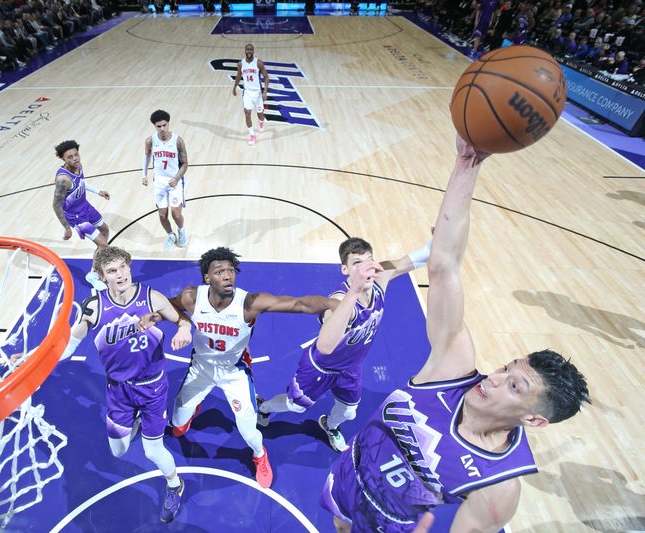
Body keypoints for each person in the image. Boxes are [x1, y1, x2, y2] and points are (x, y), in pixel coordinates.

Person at [320, 138, 590, 533]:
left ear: (533, 419)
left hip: (389, 522)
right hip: (351, 469)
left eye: (514, 386)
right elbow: (444, 265)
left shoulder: (497, 490)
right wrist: (468, 161)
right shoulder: (454, 366)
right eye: (506, 368)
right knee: (339, 522)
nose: (493, 377)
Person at [166, 247, 339, 488]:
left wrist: (334, 303)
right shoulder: (191, 297)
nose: (228, 275)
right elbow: (169, 307)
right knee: (176, 426)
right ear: (207, 278)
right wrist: (183, 325)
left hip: (234, 372)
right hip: (201, 369)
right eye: (220, 271)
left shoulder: (248, 303)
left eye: (231, 270)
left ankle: (260, 455)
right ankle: (193, 407)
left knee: (249, 431)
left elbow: (298, 304)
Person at [53, 246, 193, 522]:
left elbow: (182, 320)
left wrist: (184, 330)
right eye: (112, 271)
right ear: (102, 277)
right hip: (118, 390)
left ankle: (175, 484)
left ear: (130, 267)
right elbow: (68, 345)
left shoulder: (151, 298)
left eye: (123, 267)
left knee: (154, 450)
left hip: (152, 388)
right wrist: (35, 358)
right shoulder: (94, 306)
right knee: (118, 450)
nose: (120, 275)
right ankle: (136, 423)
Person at [257, 235, 433, 452]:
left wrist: (441, 240)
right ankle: (264, 407)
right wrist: (353, 293)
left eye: (368, 261)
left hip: (350, 368)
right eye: (356, 263)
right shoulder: (339, 302)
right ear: (345, 270)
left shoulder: (380, 279)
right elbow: (325, 346)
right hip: (320, 368)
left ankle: (329, 426)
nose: (364, 269)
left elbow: (420, 255)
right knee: (296, 407)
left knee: (349, 412)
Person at [52, 139, 111, 290]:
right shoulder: (62, 180)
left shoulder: (78, 166)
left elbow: (82, 183)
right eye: (70, 157)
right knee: (103, 244)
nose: (75, 159)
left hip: (85, 207)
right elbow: (56, 205)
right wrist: (66, 228)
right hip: (76, 217)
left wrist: (99, 192)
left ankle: (100, 259)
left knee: (105, 230)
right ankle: (93, 274)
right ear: (63, 160)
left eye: (76, 155)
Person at [142, 109, 188, 251]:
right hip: (159, 182)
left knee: (176, 214)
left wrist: (176, 178)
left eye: (164, 125)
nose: (162, 129)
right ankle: (170, 235)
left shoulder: (178, 141)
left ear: (168, 124)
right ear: (154, 126)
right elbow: (146, 156)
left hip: (175, 181)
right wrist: (144, 175)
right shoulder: (150, 141)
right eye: (159, 126)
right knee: (162, 215)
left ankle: (181, 231)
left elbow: (185, 164)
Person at [232, 43, 270, 146]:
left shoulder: (259, 63)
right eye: (247, 49)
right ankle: (252, 135)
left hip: (257, 93)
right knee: (247, 112)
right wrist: (235, 87)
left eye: (251, 50)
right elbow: (239, 76)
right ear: (245, 51)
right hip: (247, 92)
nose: (249, 51)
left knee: (260, 114)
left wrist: (265, 92)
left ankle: (261, 121)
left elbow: (266, 77)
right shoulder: (241, 64)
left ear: (253, 51)